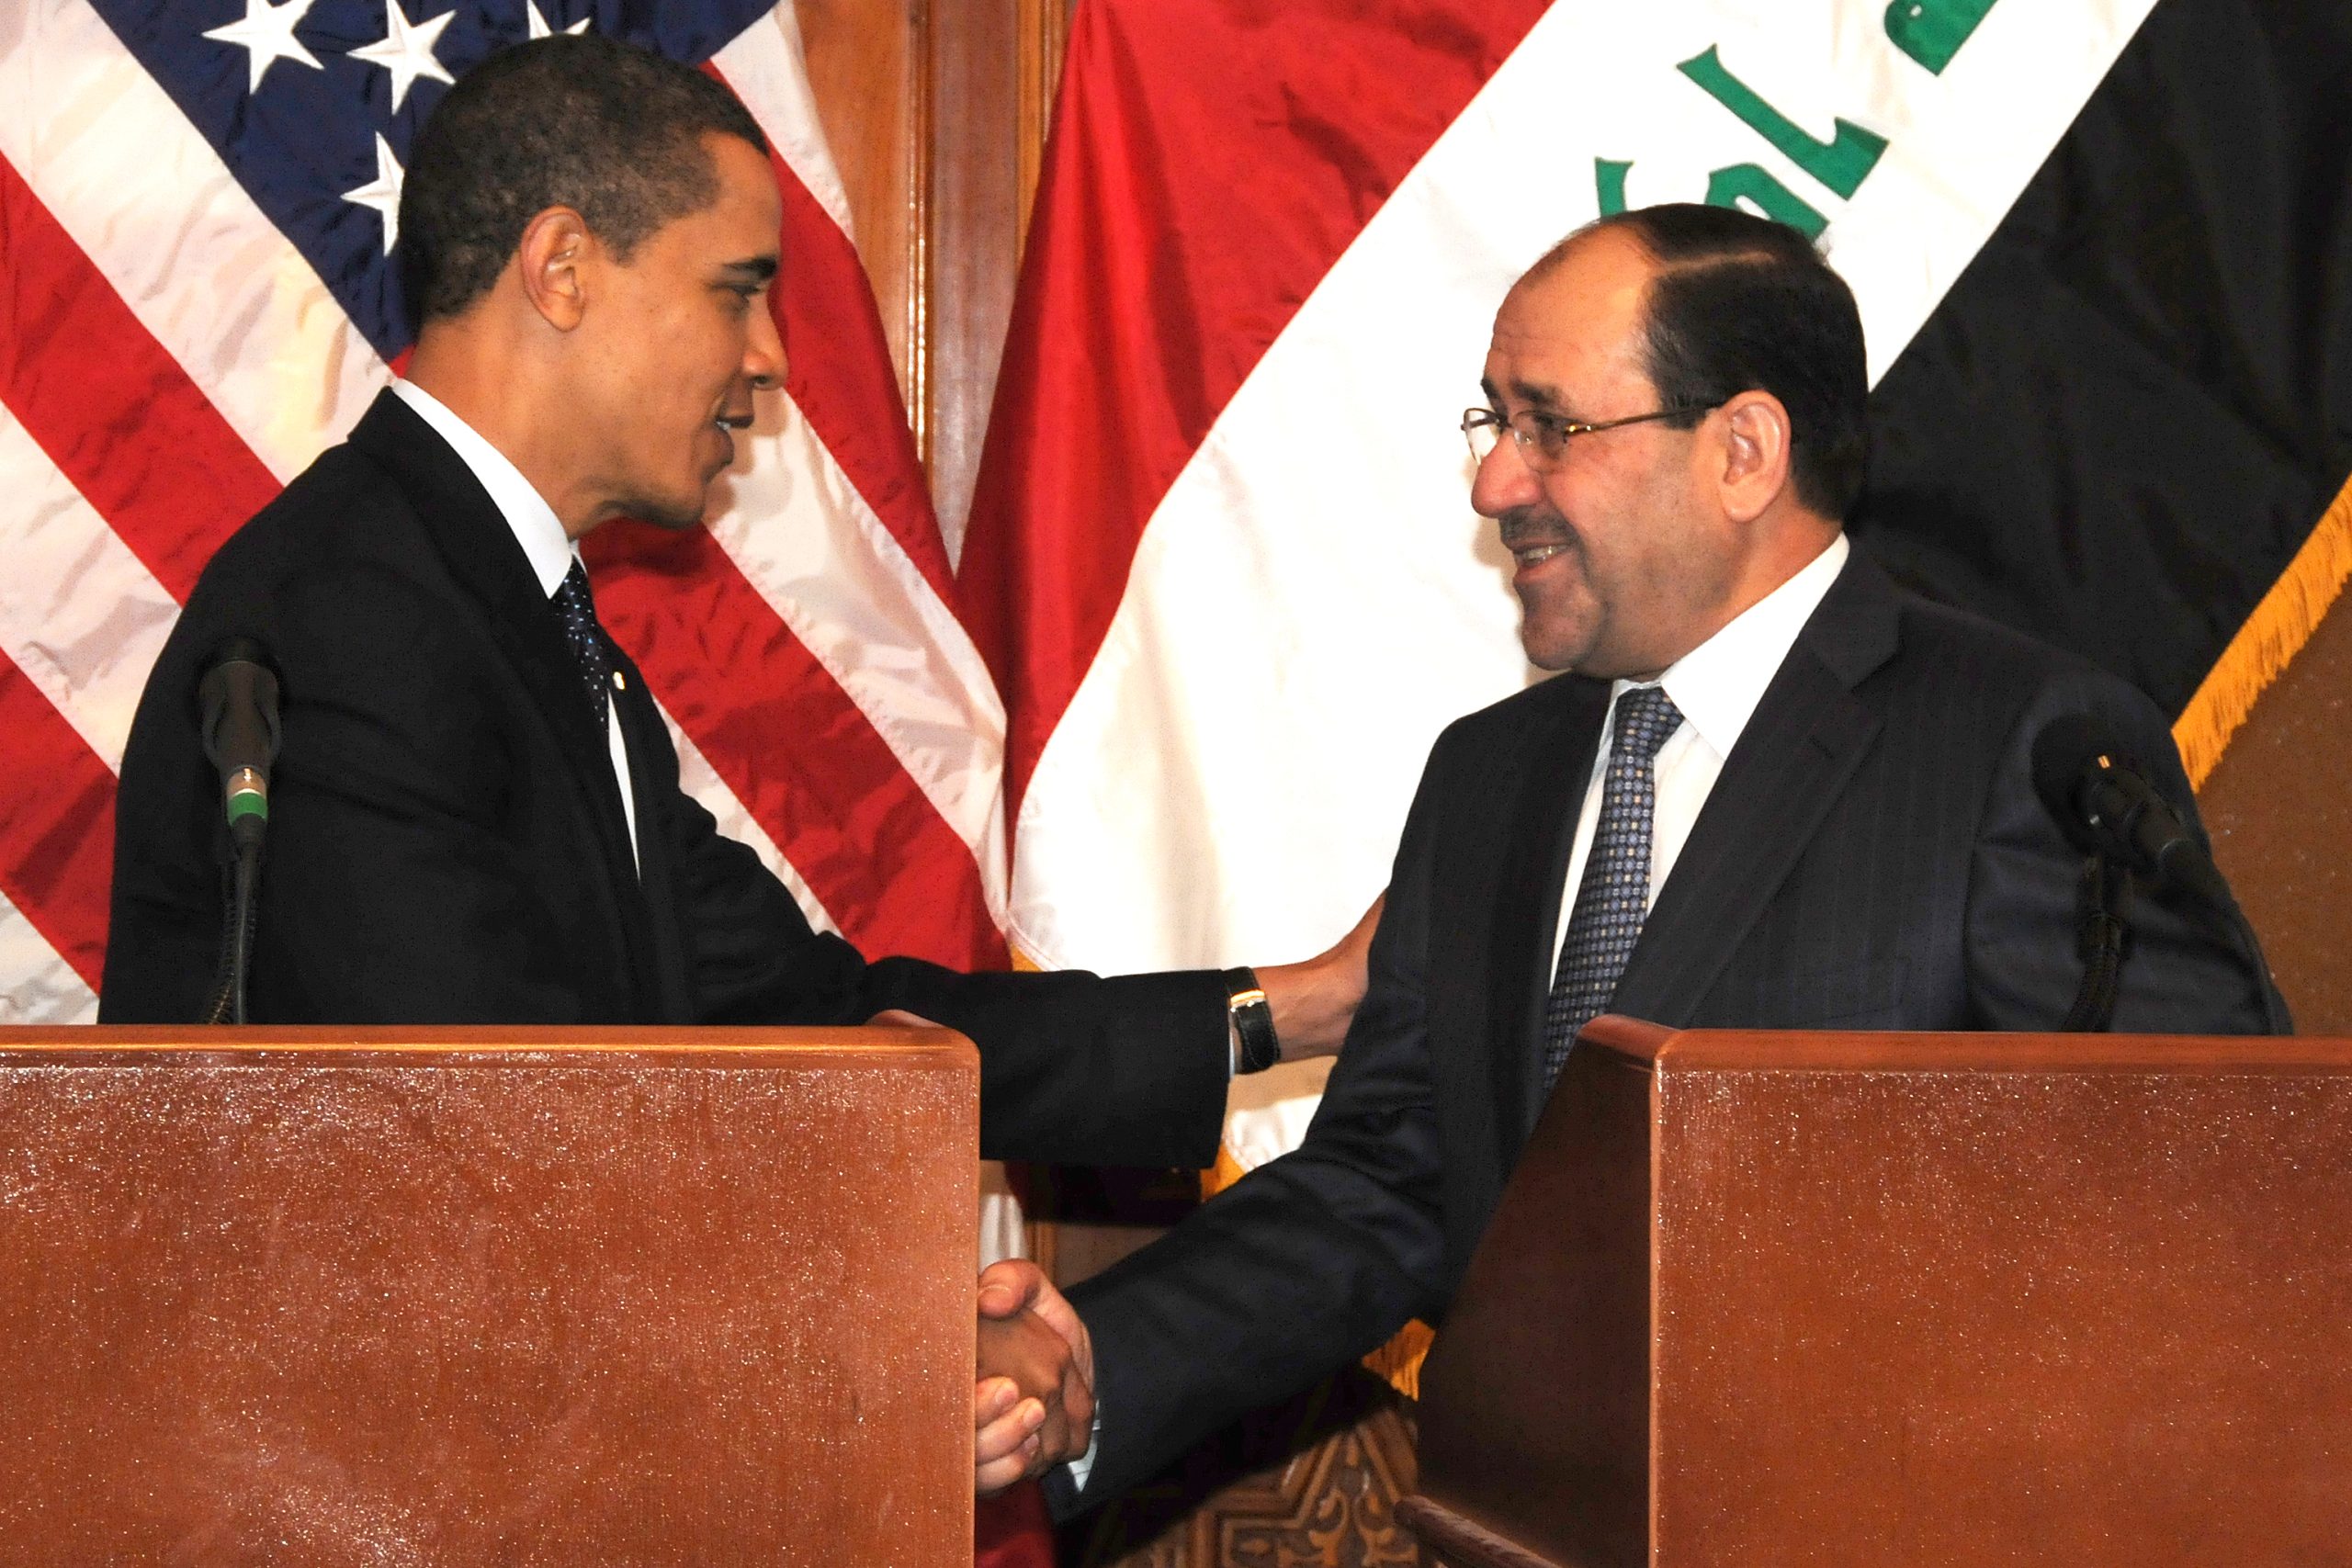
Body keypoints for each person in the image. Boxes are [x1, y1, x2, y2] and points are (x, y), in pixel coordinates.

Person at [94, 35, 1370, 1469]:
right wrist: (904, 1338)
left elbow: (804, 1017)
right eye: (740, 290)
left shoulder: (496, 609)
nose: (768, 358)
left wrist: (1304, 1005)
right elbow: (496, 1148)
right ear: (563, 268)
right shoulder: (354, 622)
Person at [982, 203, 2288, 1510]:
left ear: (1743, 452)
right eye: (1494, 423)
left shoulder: (2018, 744)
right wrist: (1098, 1350)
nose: (1496, 483)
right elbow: (1389, 1184)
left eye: (1552, 424)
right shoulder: (1490, 773)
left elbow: (2216, 1210)